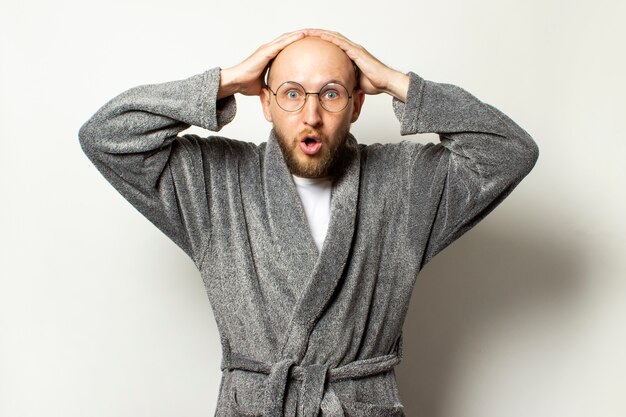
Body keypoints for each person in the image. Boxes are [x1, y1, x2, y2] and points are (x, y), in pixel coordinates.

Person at [79, 29, 538, 417]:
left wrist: (401, 84)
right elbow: (105, 136)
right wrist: (224, 81)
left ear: (357, 105)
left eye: (331, 94)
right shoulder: (213, 183)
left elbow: (509, 152)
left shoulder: (406, 184)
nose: (311, 115)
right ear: (265, 103)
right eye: (292, 93)